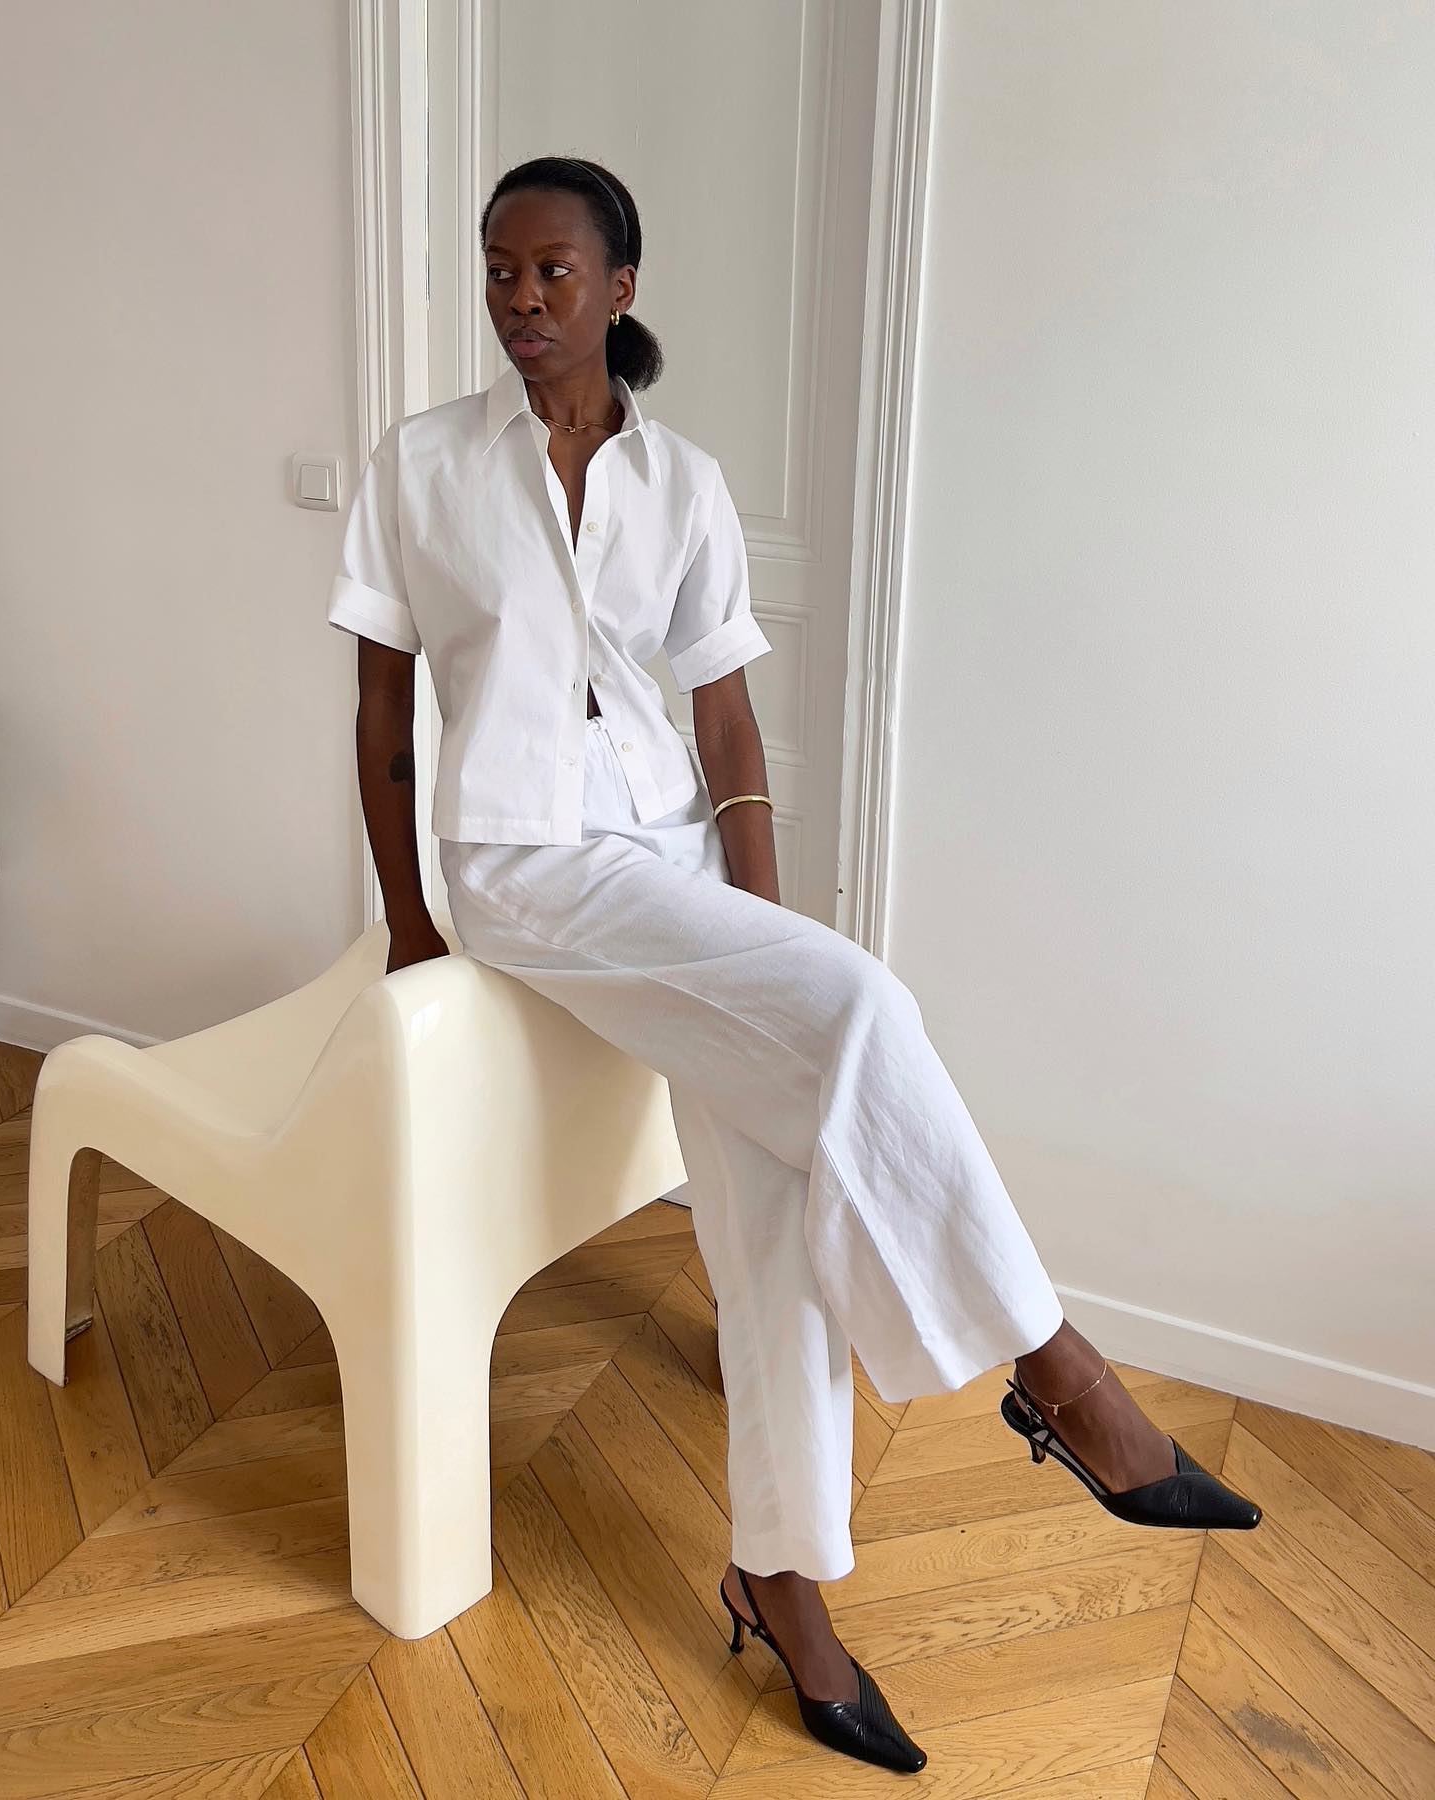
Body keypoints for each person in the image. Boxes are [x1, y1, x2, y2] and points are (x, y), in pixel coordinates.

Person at [327, 154, 1261, 1778]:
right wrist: (411, 919)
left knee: (771, 1221)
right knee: (868, 1004)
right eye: (498, 271)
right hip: (521, 863)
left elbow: (728, 723)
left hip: (672, 863)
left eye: (552, 272)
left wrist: (762, 927)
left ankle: (786, 1583)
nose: (520, 300)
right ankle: (1062, 1375)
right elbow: (379, 708)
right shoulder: (420, 465)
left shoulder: (683, 483)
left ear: (621, 286)